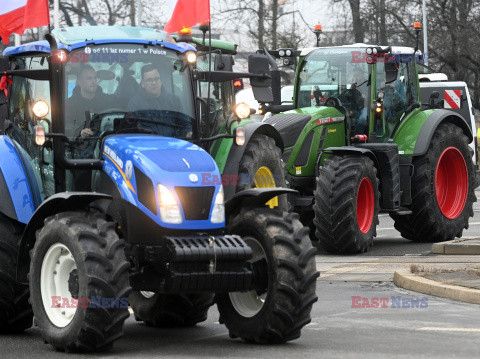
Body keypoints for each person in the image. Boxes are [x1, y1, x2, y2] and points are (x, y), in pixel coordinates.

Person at [127, 64, 190, 137]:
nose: (154, 83)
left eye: (156, 79)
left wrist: (188, 134)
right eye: (149, 80)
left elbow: (186, 126)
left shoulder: (174, 101)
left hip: (173, 145)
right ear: (142, 84)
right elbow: (131, 132)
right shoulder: (135, 104)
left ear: (161, 81)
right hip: (146, 146)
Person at [66, 64, 115, 138]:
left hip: (105, 141)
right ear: (80, 81)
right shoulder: (69, 104)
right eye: (89, 78)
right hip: (78, 146)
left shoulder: (108, 101)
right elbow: (66, 126)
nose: (93, 81)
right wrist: (80, 132)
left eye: (95, 78)